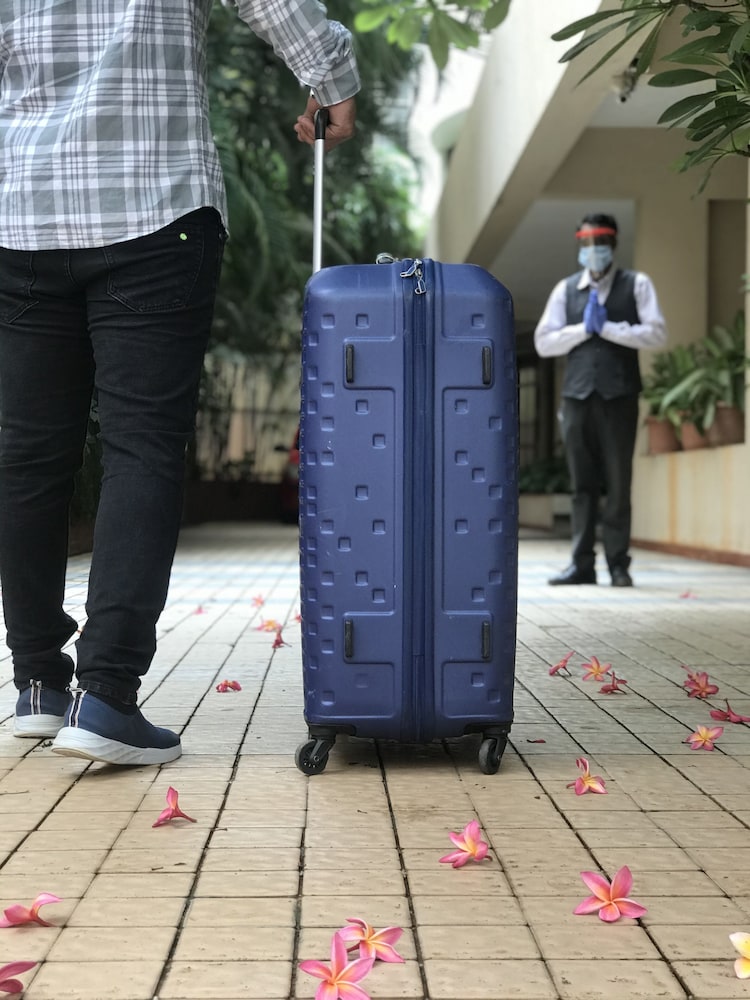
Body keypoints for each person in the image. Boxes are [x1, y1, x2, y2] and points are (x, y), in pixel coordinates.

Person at [0, 0, 359, 766]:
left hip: (24, 212)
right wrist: (331, 82)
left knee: (28, 457)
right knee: (142, 448)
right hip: (154, 206)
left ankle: (37, 683)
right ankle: (105, 694)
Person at [534, 213, 667, 588]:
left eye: (601, 242)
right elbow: (543, 342)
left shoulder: (636, 284)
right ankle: (581, 565)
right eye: (587, 243)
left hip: (619, 397)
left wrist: (609, 328)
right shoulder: (565, 290)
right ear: (579, 245)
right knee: (582, 485)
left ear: (614, 244)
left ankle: (618, 565)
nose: (594, 250)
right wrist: (583, 330)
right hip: (577, 397)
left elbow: (656, 333)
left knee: (618, 483)